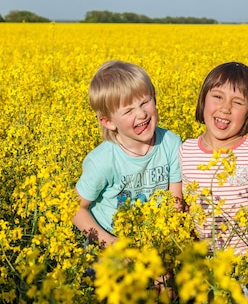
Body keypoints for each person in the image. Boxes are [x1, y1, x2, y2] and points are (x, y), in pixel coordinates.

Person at [73, 60, 183, 248]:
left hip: (157, 238)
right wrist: (110, 243)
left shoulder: (171, 144)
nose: (141, 115)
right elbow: (75, 208)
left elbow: (175, 202)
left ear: (155, 98)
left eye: (144, 102)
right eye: (129, 110)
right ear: (108, 122)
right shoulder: (102, 161)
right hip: (108, 242)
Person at [178, 61, 248, 255]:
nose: (225, 108)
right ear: (202, 101)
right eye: (217, 97)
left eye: (238, 102)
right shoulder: (186, 151)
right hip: (207, 267)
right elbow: (183, 209)